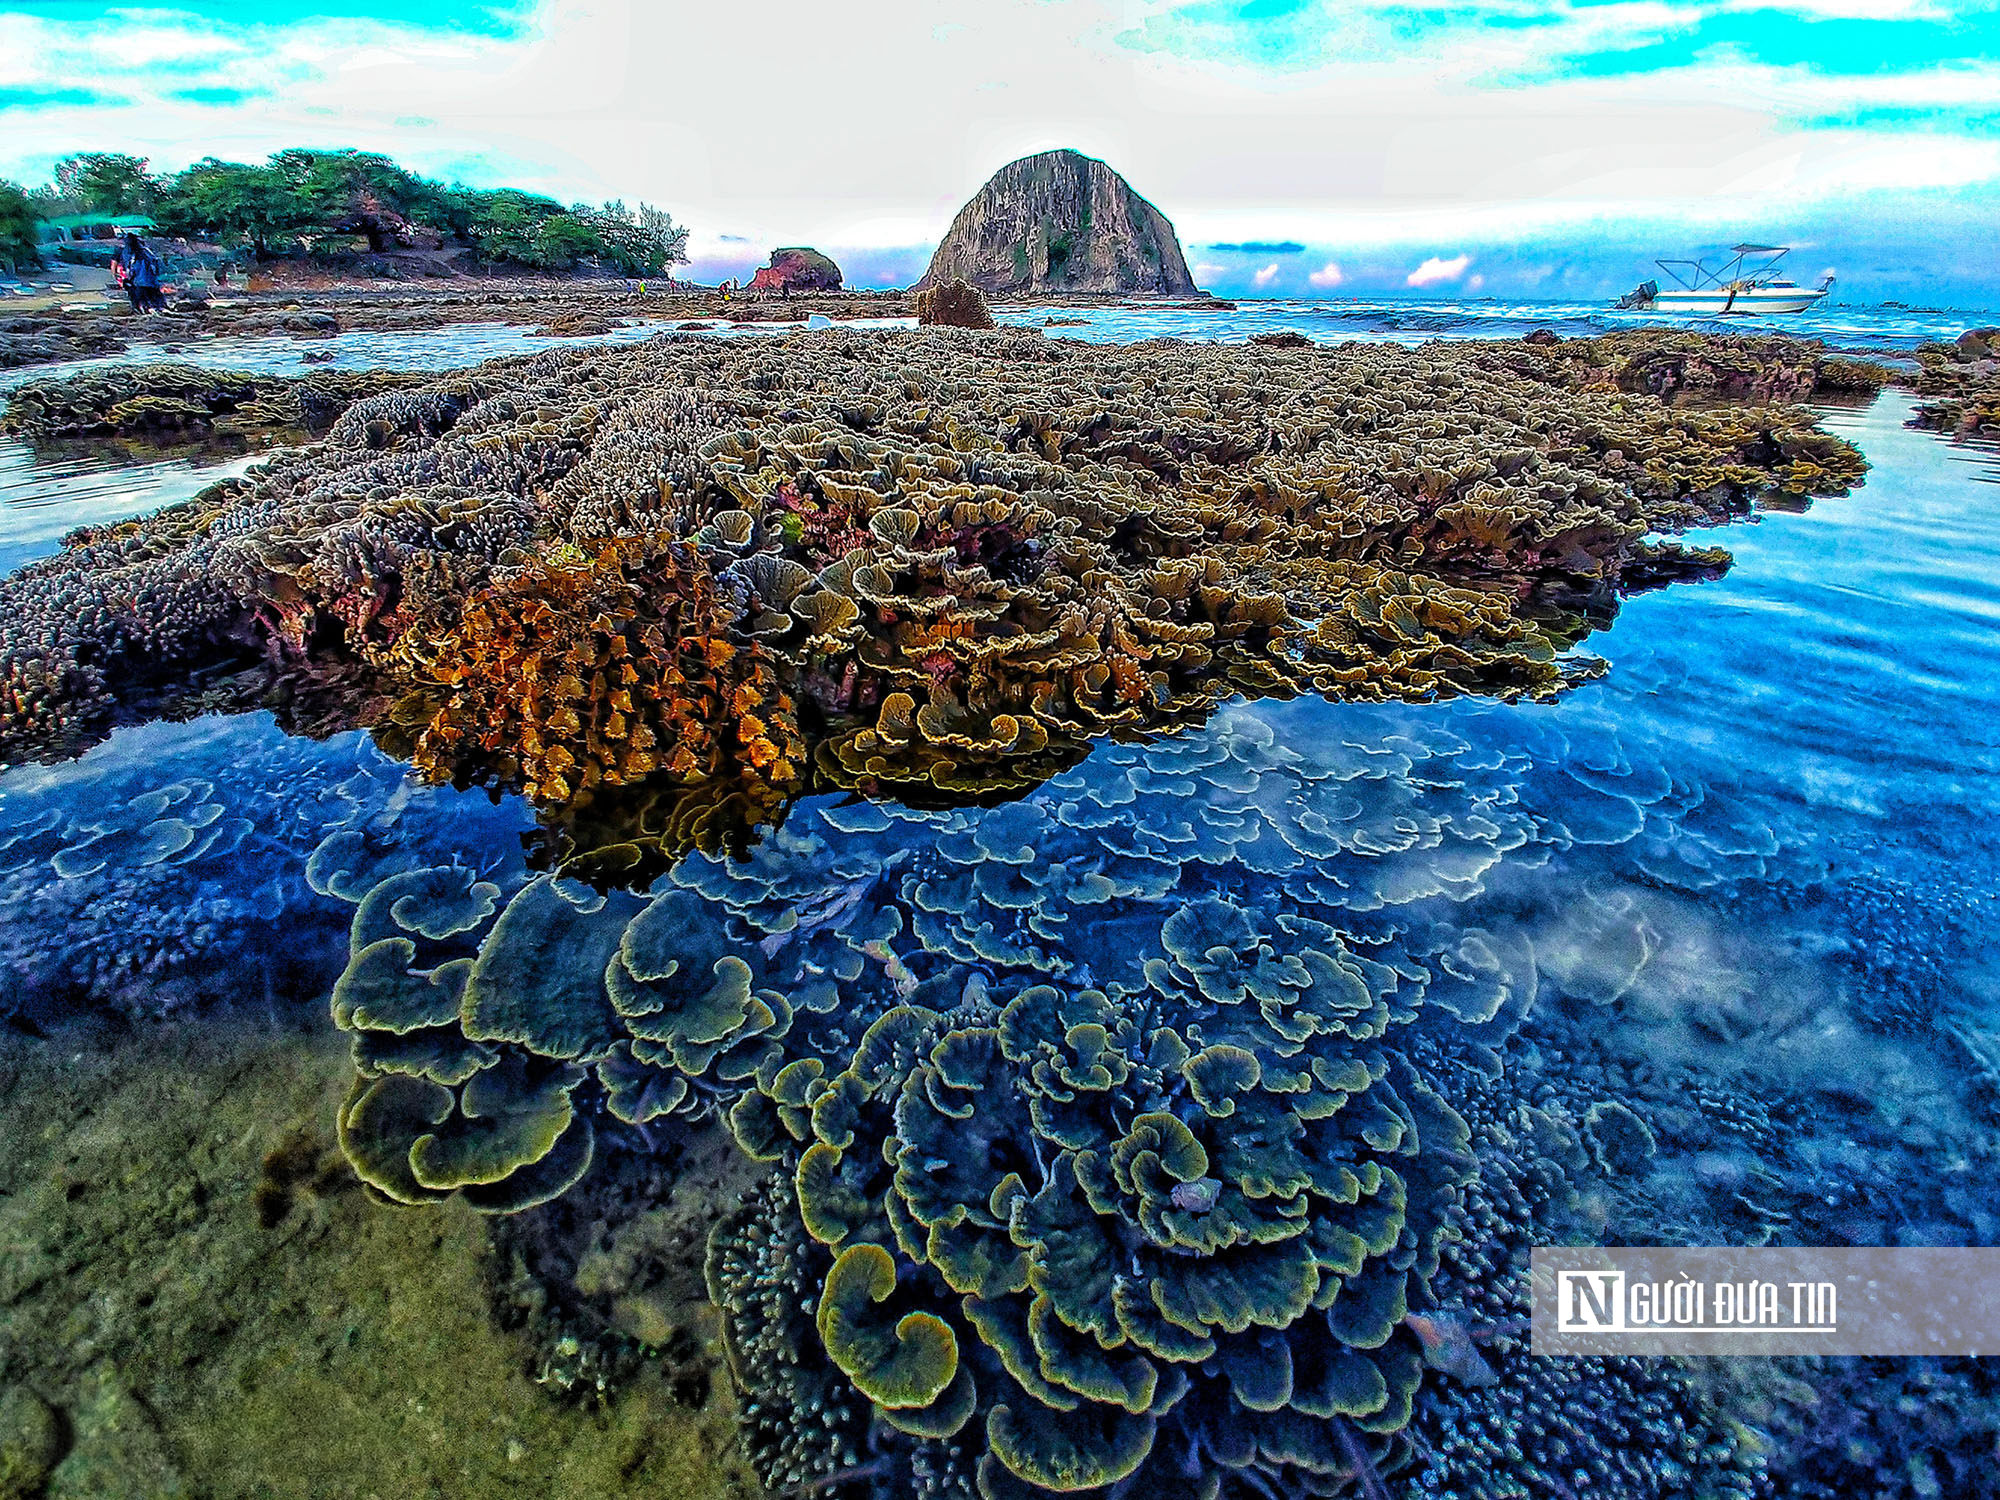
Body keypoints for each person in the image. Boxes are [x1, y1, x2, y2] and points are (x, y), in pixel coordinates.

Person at [113, 233, 165, 313]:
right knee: (156, 299)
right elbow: (156, 264)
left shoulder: (126, 251)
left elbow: (127, 266)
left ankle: (143, 309)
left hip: (138, 281)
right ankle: (158, 308)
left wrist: (118, 275)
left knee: (138, 298)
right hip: (151, 281)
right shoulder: (147, 251)